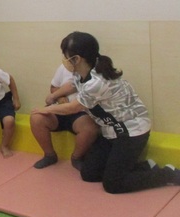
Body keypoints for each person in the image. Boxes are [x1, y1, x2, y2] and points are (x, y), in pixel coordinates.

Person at [31, 31, 180, 193]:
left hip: (131, 131)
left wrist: (45, 109)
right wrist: (54, 95)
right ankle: (145, 167)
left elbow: (73, 107)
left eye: (66, 57)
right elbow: (73, 85)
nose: (64, 60)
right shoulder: (85, 71)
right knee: (89, 173)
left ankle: (167, 174)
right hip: (111, 132)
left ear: (77, 59)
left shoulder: (96, 82)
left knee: (113, 185)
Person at [30, 60, 99, 170]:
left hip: (80, 112)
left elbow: (74, 107)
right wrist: (59, 97)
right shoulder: (64, 68)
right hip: (59, 108)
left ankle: (76, 157)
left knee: (90, 128)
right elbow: (54, 87)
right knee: (36, 117)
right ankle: (49, 155)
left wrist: (48, 107)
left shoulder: (94, 73)